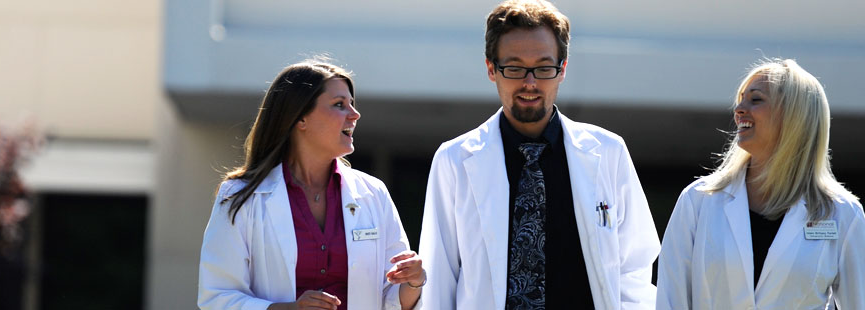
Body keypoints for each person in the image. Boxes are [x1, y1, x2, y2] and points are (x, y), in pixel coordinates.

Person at [417, 1, 661, 309]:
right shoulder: (453, 161)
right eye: (515, 68)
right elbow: (439, 280)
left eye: (544, 68)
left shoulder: (609, 152)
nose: (530, 83)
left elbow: (635, 269)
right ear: (492, 69)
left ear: (562, 70)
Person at [656, 59, 865, 309]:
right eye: (741, 98)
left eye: (755, 100)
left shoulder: (842, 213)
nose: (739, 109)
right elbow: (671, 300)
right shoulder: (698, 200)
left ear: (794, 116)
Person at [198, 59, 426, 310]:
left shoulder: (374, 193)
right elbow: (217, 299)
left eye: (352, 103)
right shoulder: (240, 196)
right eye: (340, 105)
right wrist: (290, 309)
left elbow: (391, 301)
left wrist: (413, 282)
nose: (355, 114)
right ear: (300, 119)